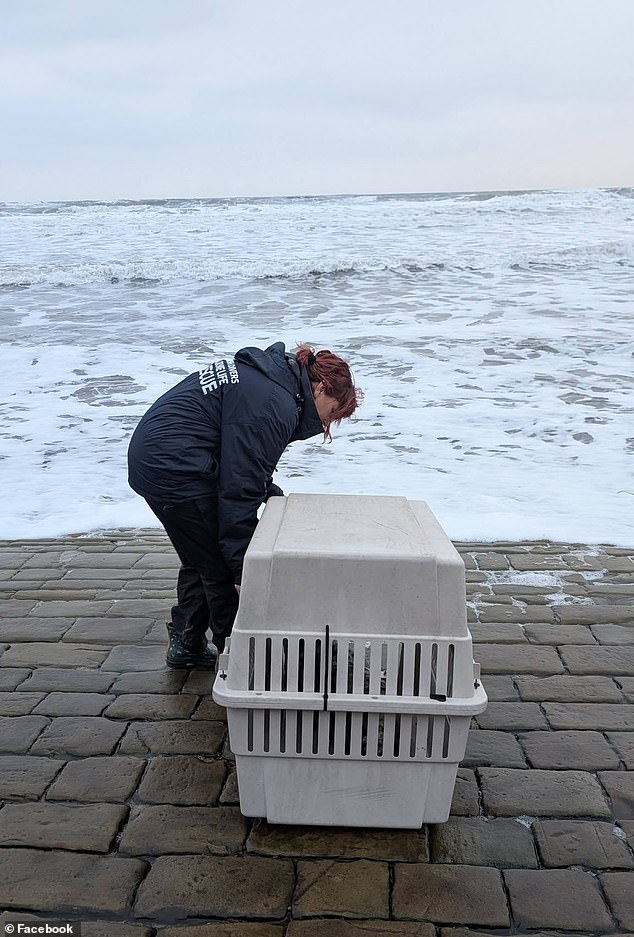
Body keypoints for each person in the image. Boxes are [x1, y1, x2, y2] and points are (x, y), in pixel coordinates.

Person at [127, 341, 362, 669]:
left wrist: (266, 488)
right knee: (223, 566)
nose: (326, 425)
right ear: (321, 389)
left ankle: (188, 643)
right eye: (333, 413)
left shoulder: (270, 383)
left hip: (156, 456)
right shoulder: (273, 403)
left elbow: (237, 452)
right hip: (174, 467)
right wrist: (241, 567)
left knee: (202, 553)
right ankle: (241, 662)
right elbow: (238, 491)